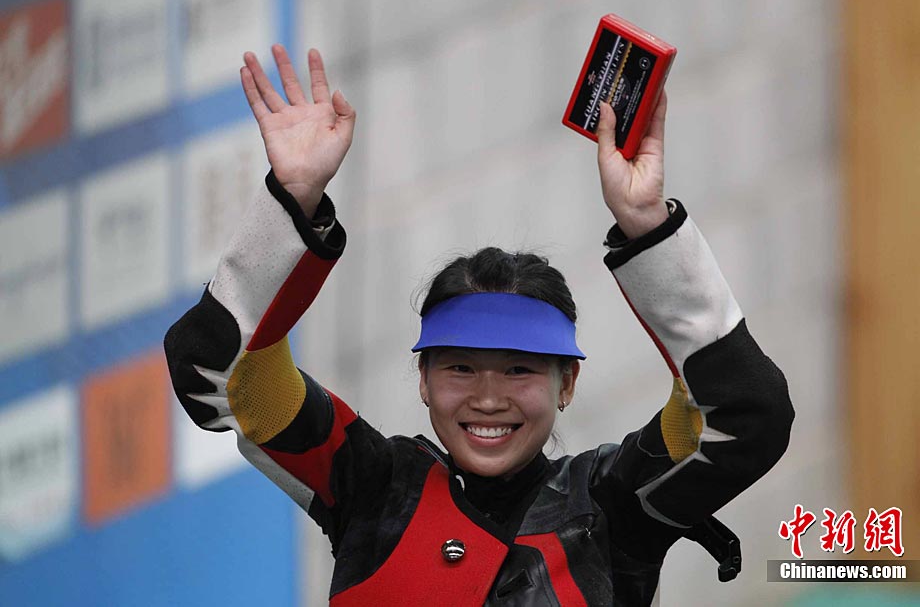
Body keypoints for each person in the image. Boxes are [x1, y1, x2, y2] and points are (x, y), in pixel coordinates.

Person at [164, 44, 793, 606]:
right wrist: (293, 200)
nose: (488, 398)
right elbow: (216, 371)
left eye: (519, 370)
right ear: (423, 378)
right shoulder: (369, 483)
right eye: (461, 368)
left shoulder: (616, 505)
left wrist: (648, 226)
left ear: (567, 383)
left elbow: (748, 412)